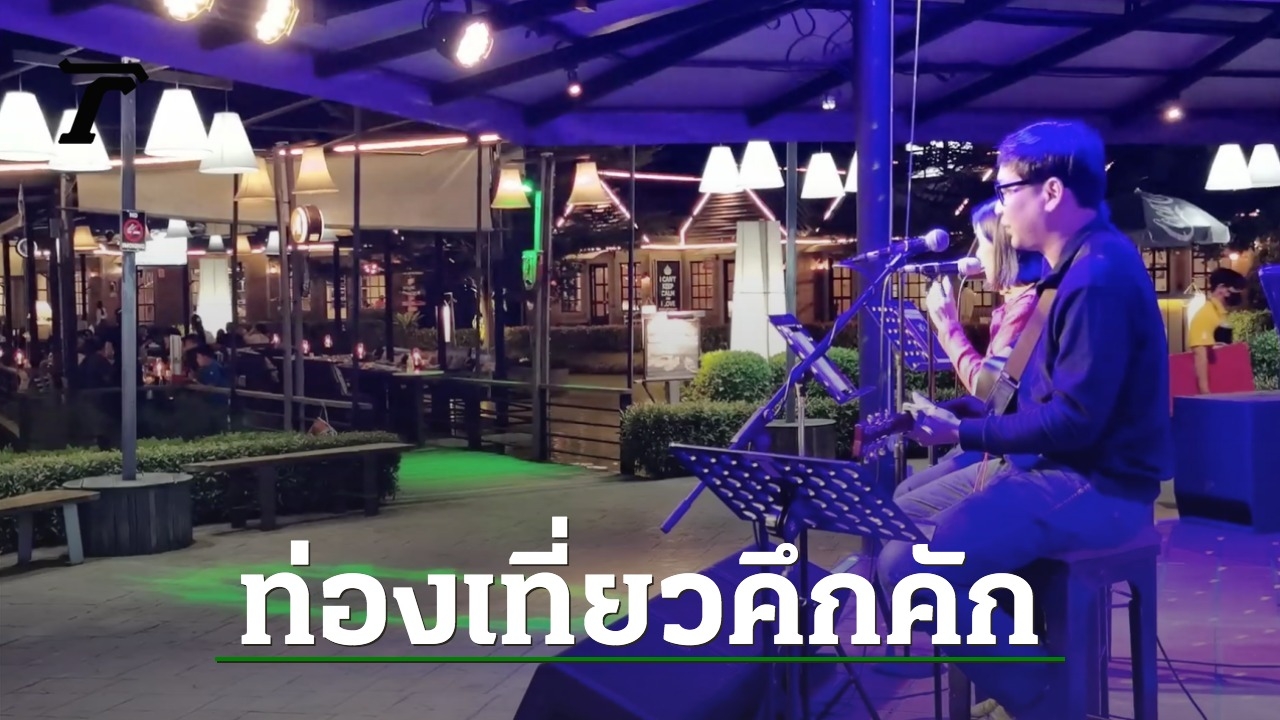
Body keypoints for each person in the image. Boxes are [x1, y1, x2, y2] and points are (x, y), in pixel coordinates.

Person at [877, 120, 1173, 720]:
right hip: (1059, 469)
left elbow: (1075, 423)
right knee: (901, 538)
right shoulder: (1077, 267)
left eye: (1008, 189)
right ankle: (1027, 684)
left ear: (1052, 192)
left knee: (913, 568)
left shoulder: (1097, 277)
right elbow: (1045, 398)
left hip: (1099, 485)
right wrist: (966, 411)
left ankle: (1047, 702)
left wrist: (962, 433)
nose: (1001, 206)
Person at [892, 199, 1043, 498]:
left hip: (1010, 448)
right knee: (907, 489)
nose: (976, 255)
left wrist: (948, 326)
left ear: (1002, 250)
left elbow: (985, 389)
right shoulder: (1017, 303)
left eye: (981, 243)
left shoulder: (1027, 307)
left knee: (906, 494)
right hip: (999, 436)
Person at [1187, 267, 1247, 394]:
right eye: (1236, 289)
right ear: (1222, 288)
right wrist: (1205, 393)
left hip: (1224, 390)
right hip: (1212, 394)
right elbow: (1200, 355)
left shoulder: (1219, 314)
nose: (1239, 294)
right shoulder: (1205, 315)